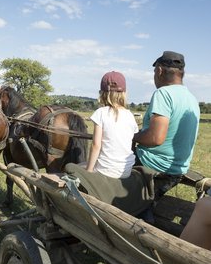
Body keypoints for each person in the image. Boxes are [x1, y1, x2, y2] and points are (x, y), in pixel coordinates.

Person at [133, 51, 200, 203]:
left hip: (153, 164)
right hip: (178, 169)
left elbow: (156, 138)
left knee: (109, 166)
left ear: (159, 71)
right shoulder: (191, 98)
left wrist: (132, 135)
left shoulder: (163, 93)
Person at [86, 71, 139, 178]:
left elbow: (96, 146)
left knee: (73, 167)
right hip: (126, 171)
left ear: (103, 93)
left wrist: (89, 170)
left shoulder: (101, 113)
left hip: (105, 171)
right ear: (124, 93)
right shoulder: (130, 115)